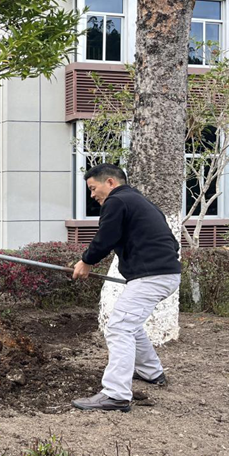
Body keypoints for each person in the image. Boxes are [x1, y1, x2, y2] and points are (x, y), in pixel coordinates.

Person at [71, 163, 181, 412]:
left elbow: (106, 235)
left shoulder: (117, 201)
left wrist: (86, 260)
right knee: (130, 323)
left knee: (119, 326)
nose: (92, 195)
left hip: (152, 277)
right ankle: (152, 372)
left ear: (110, 182)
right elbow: (172, 244)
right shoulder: (141, 202)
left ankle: (116, 394)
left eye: (93, 188)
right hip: (164, 274)